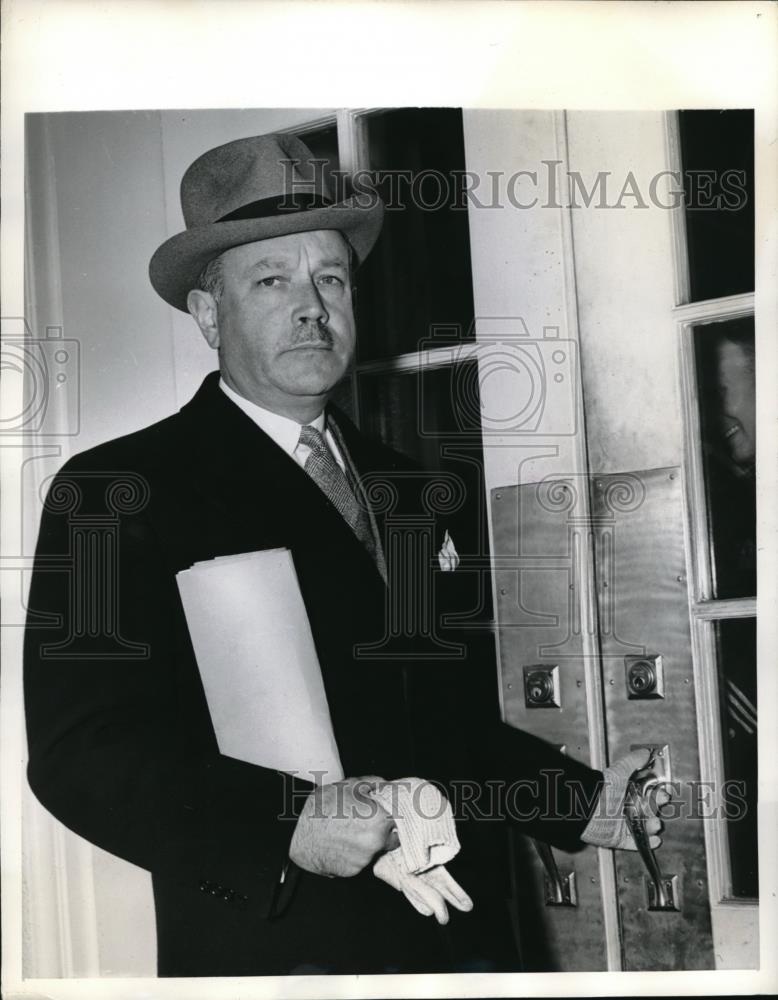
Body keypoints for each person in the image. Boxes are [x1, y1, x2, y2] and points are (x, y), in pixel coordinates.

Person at [24, 132, 663, 977]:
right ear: (210, 315)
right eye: (271, 279)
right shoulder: (113, 489)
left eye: (330, 277)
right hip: (281, 947)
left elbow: (440, 724)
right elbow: (83, 754)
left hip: (457, 941)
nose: (311, 307)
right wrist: (289, 819)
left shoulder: (412, 489)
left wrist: (584, 801)